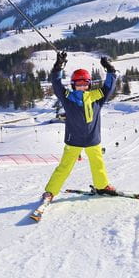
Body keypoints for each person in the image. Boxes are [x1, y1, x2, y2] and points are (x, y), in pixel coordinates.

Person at [42, 51, 117, 202]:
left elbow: (109, 87)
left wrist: (111, 70)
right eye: (79, 84)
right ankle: (50, 191)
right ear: (73, 85)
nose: (82, 87)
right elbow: (56, 85)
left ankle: (102, 186)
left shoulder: (97, 97)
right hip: (73, 140)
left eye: (85, 84)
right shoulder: (68, 98)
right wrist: (58, 67)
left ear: (89, 85)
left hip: (92, 139)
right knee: (65, 166)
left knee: (98, 163)